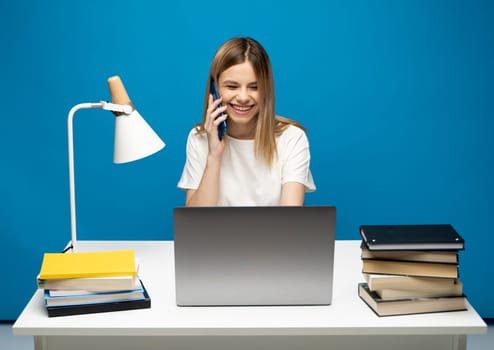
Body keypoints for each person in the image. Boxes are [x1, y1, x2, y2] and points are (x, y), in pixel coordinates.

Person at [178, 37, 315, 206]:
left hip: (274, 234)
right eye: (232, 86)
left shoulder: (292, 138)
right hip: (215, 234)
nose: (243, 97)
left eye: (254, 87)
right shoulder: (199, 138)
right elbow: (195, 224)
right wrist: (214, 155)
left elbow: (289, 222)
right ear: (215, 90)